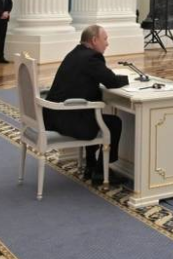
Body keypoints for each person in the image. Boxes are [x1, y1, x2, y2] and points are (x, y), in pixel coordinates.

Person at [43, 25, 129, 184]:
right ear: (94, 40)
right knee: (114, 123)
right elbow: (111, 81)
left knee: (93, 115)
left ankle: (91, 165)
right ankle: (101, 170)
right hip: (69, 120)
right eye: (105, 39)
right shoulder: (92, 57)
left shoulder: (74, 53)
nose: (107, 43)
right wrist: (128, 79)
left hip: (54, 116)